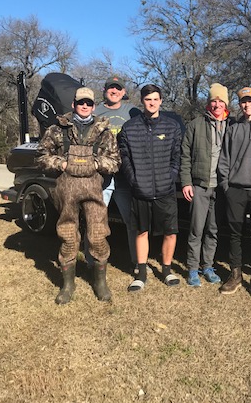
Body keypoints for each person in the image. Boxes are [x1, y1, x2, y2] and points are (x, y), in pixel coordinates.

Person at [37, 87, 120, 304]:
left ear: (94, 106)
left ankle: (100, 282)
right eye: (81, 102)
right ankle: (68, 284)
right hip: (66, 189)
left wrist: (96, 163)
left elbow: (115, 161)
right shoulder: (57, 130)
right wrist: (60, 162)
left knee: (98, 234)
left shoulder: (104, 132)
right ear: (74, 104)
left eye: (89, 103)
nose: (85, 106)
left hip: (94, 188)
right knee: (67, 234)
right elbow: (41, 156)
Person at [118, 84, 184, 291]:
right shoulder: (129, 127)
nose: (152, 103)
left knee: (170, 232)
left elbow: (177, 156)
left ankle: (166, 270)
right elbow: (124, 157)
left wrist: (170, 177)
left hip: (165, 190)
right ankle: (142, 273)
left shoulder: (171, 126)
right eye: (148, 100)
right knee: (141, 232)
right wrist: (133, 179)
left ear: (161, 100)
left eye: (156, 99)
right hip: (141, 190)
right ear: (142, 102)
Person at [218, 87, 251, 300]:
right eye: (243, 102)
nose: (247, 105)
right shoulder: (233, 127)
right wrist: (226, 185)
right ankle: (235, 274)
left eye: (250, 101)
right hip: (235, 189)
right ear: (239, 105)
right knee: (235, 233)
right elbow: (225, 157)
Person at [180, 83, 230, 287]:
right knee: (196, 229)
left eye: (220, 101)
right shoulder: (196, 125)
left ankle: (208, 266)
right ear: (208, 103)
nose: (217, 104)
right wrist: (186, 182)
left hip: (221, 187)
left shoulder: (232, 125)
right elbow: (184, 156)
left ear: (226, 103)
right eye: (213, 101)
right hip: (200, 185)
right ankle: (192, 268)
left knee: (213, 230)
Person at [92, 75, 140, 269]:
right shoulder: (96, 111)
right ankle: (93, 260)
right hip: (102, 175)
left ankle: (138, 262)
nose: (114, 91)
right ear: (105, 91)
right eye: (111, 88)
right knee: (96, 220)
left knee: (131, 221)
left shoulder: (133, 111)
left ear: (123, 92)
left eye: (118, 88)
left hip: (124, 175)